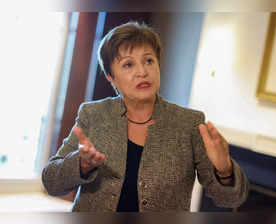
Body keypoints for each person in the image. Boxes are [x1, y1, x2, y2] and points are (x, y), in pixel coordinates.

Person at [42, 21, 249, 212]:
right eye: (128, 64)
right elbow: (51, 182)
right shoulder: (93, 114)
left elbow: (230, 200)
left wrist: (224, 170)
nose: (142, 72)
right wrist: (80, 164)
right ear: (111, 77)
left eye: (149, 60)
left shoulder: (189, 124)